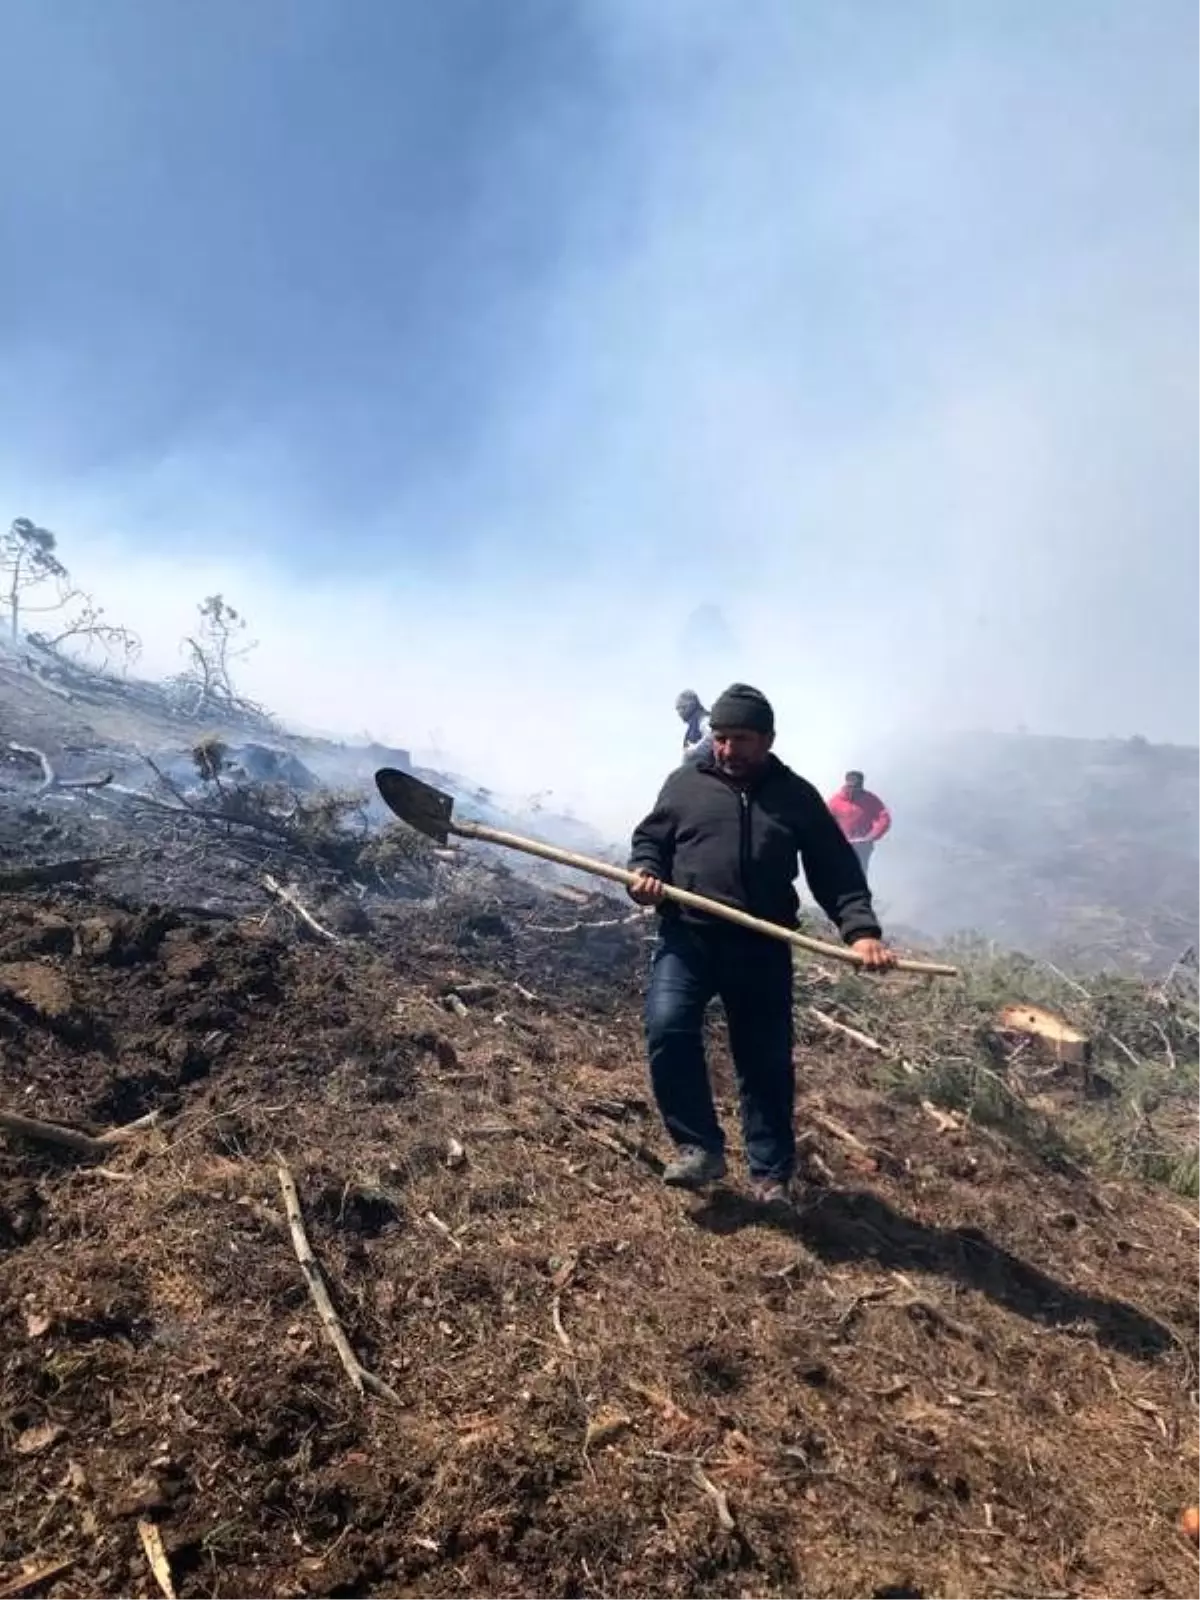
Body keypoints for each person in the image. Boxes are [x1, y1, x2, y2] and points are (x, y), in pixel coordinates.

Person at [628, 684, 895, 1202]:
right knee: (667, 1029)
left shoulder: (795, 797)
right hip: (689, 935)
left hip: (761, 946)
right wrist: (644, 874)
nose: (728, 749)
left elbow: (835, 869)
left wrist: (861, 932)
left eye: (742, 739)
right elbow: (650, 841)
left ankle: (770, 1177)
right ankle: (698, 1148)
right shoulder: (685, 785)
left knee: (765, 1061)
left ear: (768, 739)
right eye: (721, 737)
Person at [827, 770, 891, 872]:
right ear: (846, 782)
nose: (854, 788)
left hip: (863, 846)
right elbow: (825, 822)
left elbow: (884, 818)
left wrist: (871, 836)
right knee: (840, 873)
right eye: (851, 784)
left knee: (859, 873)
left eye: (857, 785)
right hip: (842, 845)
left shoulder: (871, 799)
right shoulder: (835, 801)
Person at [675, 689, 712, 765]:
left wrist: (693, 751)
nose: (679, 713)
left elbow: (711, 738)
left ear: (690, 706)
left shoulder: (704, 720)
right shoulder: (693, 726)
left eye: (681, 708)